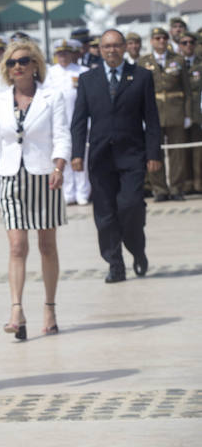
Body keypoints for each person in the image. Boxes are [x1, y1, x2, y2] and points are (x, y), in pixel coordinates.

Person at [0, 39, 70, 340]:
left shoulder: (52, 96)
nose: (17, 66)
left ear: (35, 64)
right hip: (9, 176)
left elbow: (62, 135)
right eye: (11, 62)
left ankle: (49, 308)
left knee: (46, 246)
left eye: (23, 60)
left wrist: (59, 167)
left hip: (44, 175)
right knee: (16, 246)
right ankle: (16, 310)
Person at [71, 29, 162, 284]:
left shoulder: (142, 76)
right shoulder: (88, 79)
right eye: (106, 46)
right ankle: (115, 263)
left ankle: (137, 248)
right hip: (100, 157)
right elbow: (78, 121)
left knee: (131, 206)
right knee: (105, 214)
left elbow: (152, 119)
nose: (111, 50)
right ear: (100, 49)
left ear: (124, 47)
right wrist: (77, 153)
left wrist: (153, 153)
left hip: (132, 154)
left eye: (116, 45)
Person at [136, 26, 191, 202]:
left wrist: (187, 114)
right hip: (154, 112)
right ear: (151, 41)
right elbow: (139, 92)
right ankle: (159, 189)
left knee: (177, 154)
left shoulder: (179, 60)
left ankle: (176, 188)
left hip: (175, 110)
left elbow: (187, 89)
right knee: (154, 151)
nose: (161, 41)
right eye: (157, 38)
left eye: (164, 38)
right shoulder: (144, 62)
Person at [46, 39, 91, 205]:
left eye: (65, 53)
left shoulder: (82, 71)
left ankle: (82, 192)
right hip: (57, 123)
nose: (62, 56)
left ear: (72, 54)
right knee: (62, 156)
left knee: (81, 157)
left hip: (78, 121)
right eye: (59, 53)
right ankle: (67, 191)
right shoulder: (49, 73)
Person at [178, 32, 202, 193]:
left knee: (198, 151)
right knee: (180, 150)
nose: (188, 45)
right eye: (184, 43)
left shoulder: (200, 64)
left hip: (197, 112)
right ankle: (185, 184)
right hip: (179, 113)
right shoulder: (176, 64)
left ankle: (198, 182)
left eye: (191, 42)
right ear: (180, 45)